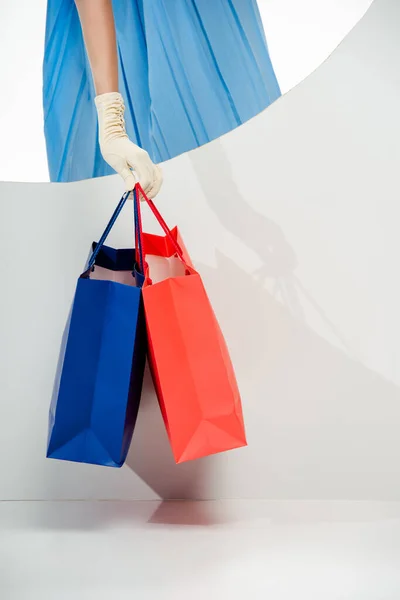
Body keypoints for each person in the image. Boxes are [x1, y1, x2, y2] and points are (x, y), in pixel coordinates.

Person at [43, 0, 281, 197]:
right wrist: (111, 119)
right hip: (110, 26)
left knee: (250, 157)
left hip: (192, 12)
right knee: (134, 185)